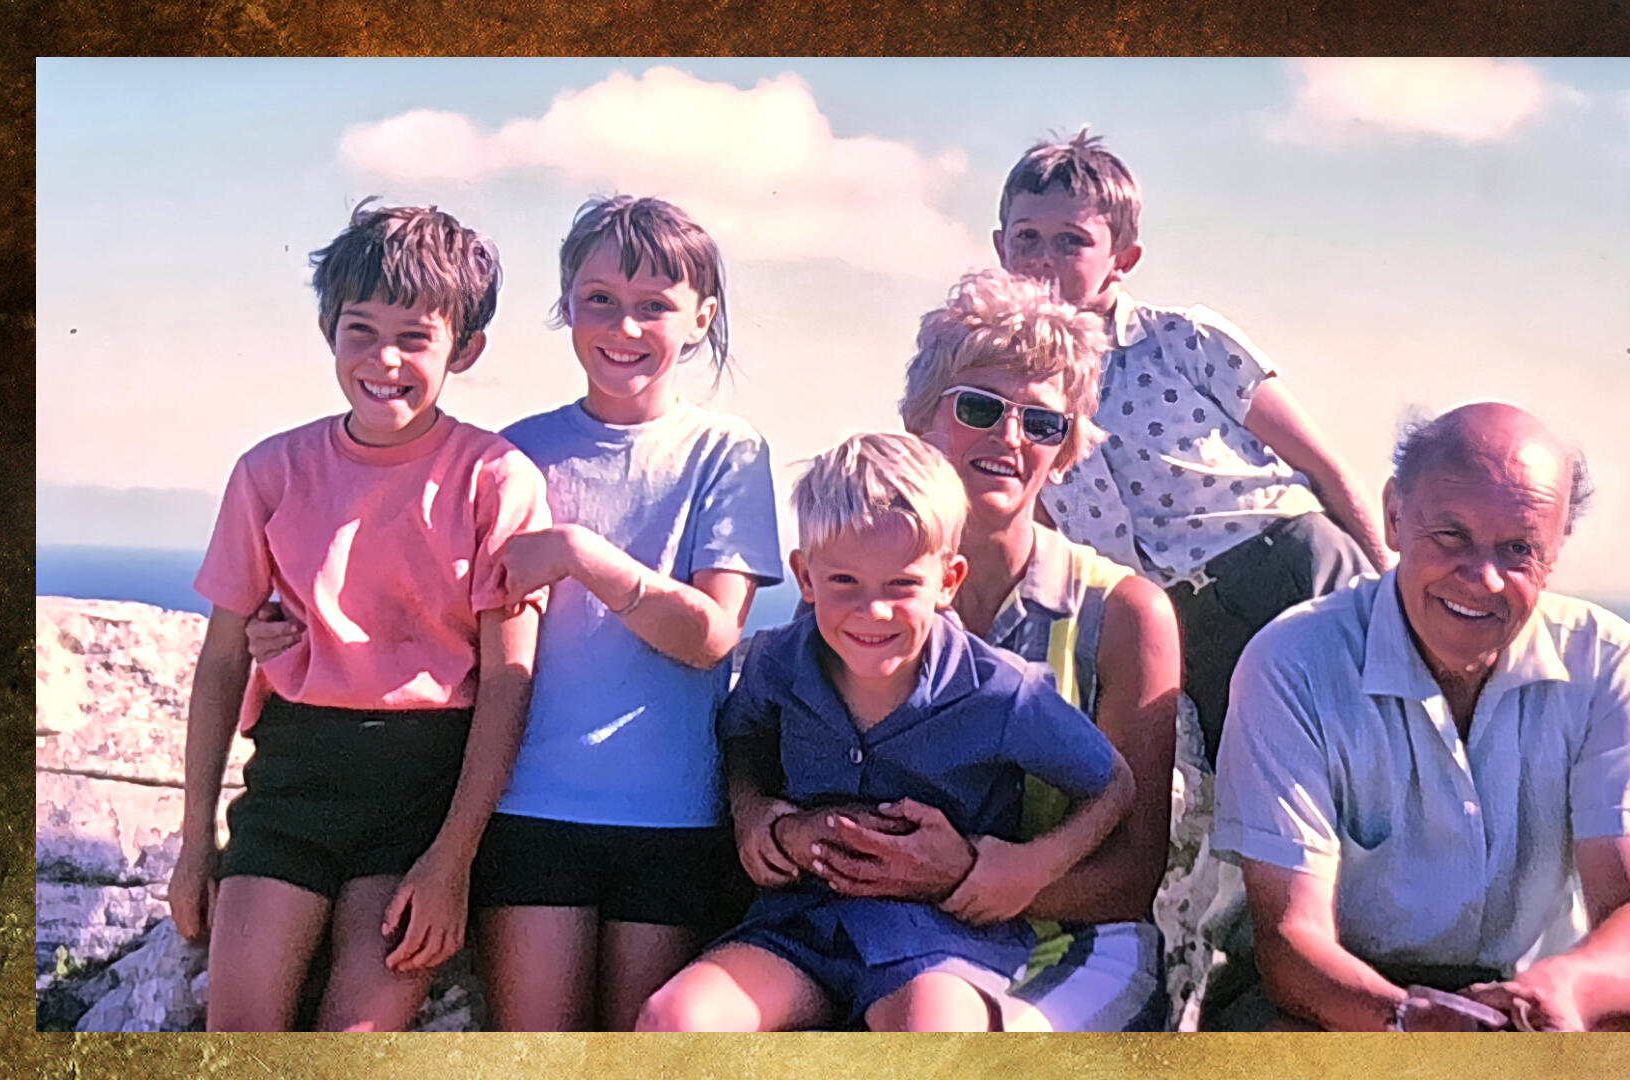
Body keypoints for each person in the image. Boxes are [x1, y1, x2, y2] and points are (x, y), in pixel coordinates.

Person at [246, 196, 783, 1031]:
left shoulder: (728, 452)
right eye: (598, 298)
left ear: (702, 317)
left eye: (654, 305)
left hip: (676, 814)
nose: (624, 325)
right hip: (526, 812)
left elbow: (711, 638)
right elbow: (424, 609)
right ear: (566, 303)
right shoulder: (513, 453)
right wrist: (282, 632)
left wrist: (579, 554)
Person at [751, 270, 1194, 1030]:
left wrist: (976, 875)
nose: (1011, 439)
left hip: (1069, 944)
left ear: (1069, 448)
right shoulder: (849, 593)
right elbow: (754, 739)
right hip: (876, 941)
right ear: (922, 419)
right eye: (981, 408)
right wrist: (762, 821)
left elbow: (1131, 874)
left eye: (1043, 423)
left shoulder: (1122, 615)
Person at [1208, 402, 1630, 1032]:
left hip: (1526, 998)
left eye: (1519, 549)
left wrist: (1560, 989)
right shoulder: (1294, 663)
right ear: (1394, 516)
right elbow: (1291, 941)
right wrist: (1409, 1020)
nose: (1483, 578)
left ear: (1556, 550)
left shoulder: (1604, 662)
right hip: (1337, 999)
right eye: (1452, 536)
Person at [169, 200, 551, 1032]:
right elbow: (222, 662)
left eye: (416, 337)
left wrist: (453, 861)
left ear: (467, 348)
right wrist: (196, 842)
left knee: (358, 1035)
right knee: (239, 1029)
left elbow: (507, 684)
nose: (385, 359)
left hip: (423, 790)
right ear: (326, 330)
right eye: (360, 330)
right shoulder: (270, 471)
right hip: (294, 776)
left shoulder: (496, 477)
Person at [637, 432, 1136, 1032]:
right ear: (804, 577)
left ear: (948, 580)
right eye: (844, 582)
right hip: (801, 925)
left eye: (901, 586)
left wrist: (1029, 868)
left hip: (940, 941)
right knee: (674, 1022)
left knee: (932, 1038)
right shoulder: (776, 663)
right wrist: (753, 812)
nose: (872, 611)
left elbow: (1113, 785)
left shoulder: (1002, 692)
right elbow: (742, 736)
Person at [993, 130, 1390, 761]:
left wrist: (1392, 596)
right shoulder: (1012, 400)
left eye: (1073, 241)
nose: (1045, 259)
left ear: (1123, 258)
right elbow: (1035, 524)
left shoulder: (1185, 339)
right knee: (1256, 796)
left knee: (1371, 760)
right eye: (1028, 239)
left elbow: (1324, 466)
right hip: (1178, 625)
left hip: (1285, 567)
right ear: (1000, 248)